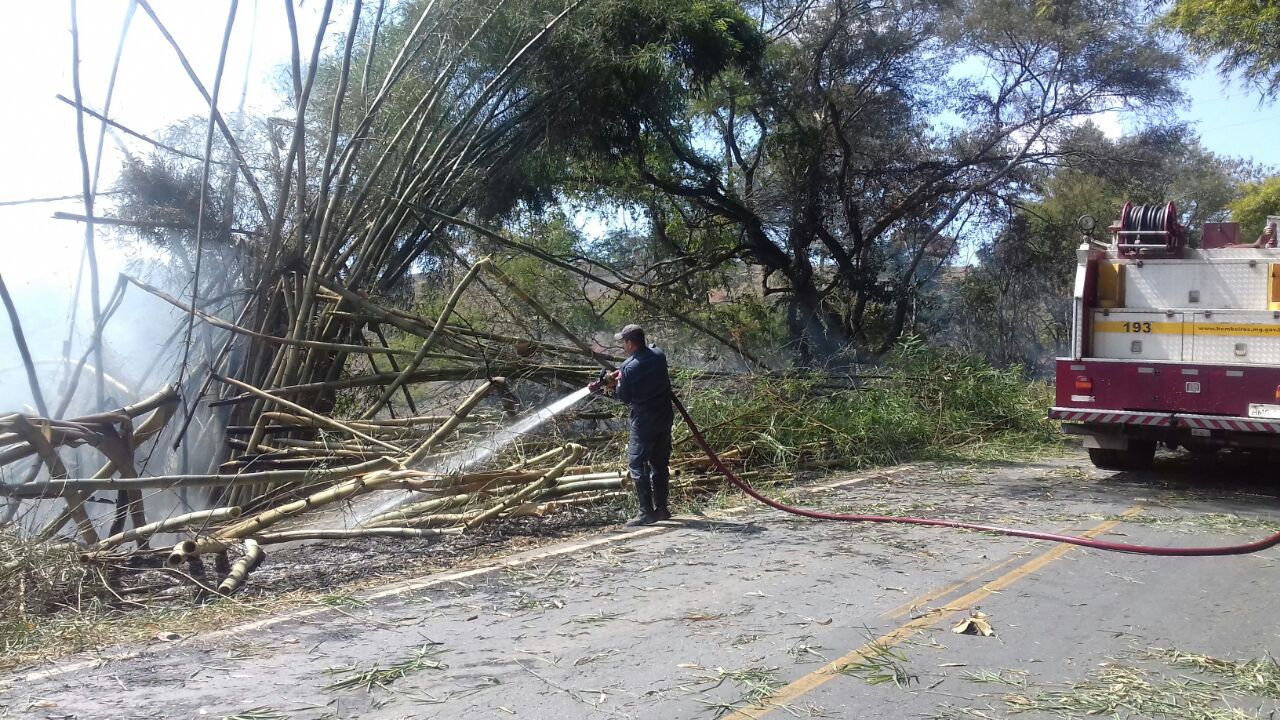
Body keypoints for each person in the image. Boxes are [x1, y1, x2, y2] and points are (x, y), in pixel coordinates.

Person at [591, 324, 674, 525]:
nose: (623, 345)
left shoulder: (629, 368)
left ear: (630, 343)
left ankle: (646, 513)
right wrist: (621, 375)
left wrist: (609, 385)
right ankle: (662, 509)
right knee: (660, 463)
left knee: (638, 464)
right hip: (664, 416)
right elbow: (648, 356)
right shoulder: (658, 355)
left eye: (624, 342)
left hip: (644, 421)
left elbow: (625, 397)